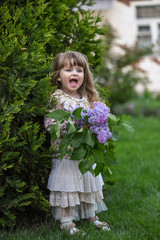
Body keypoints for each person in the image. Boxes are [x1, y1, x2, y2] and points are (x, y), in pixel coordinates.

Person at [44, 51, 110, 235]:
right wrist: (68, 125)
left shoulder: (88, 98)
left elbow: (96, 120)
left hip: (85, 152)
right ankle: (67, 221)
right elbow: (50, 124)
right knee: (67, 186)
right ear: (58, 76)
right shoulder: (57, 98)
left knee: (88, 182)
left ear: (84, 75)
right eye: (68, 69)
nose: (75, 73)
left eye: (79, 70)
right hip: (66, 152)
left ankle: (91, 216)